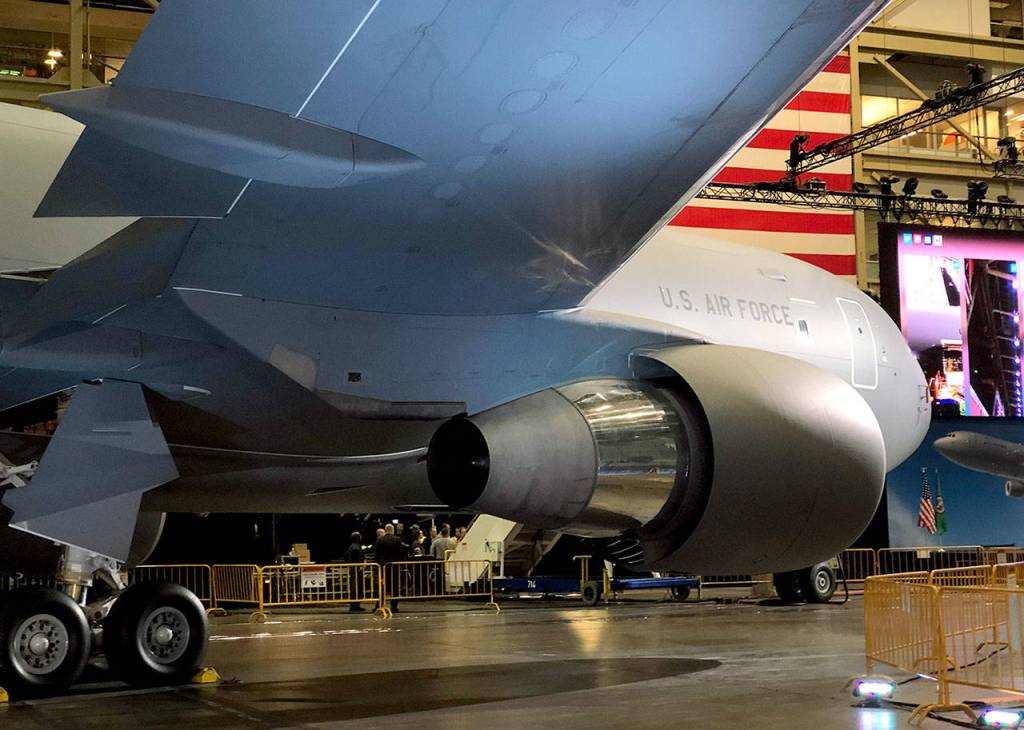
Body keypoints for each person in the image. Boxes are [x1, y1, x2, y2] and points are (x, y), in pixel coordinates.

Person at [374, 523, 408, 612]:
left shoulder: (380, 539)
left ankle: (379, 605)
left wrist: (378, 564)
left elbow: (376, 554)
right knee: (395, 587)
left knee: (382, 587)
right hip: (394, 567)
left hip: (382, 567)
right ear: (393, 530)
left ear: (385, 530)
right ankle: (394, 606)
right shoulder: (397, 539)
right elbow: (401, 552)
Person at [345, 531, 366, 612]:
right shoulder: (355, 547)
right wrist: (360, 566)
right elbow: (357, 558)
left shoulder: (353, 546)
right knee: (356, 588)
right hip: (356, 570)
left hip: (354, 569)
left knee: (357, 587)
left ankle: (356, 605)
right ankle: (354, 605)